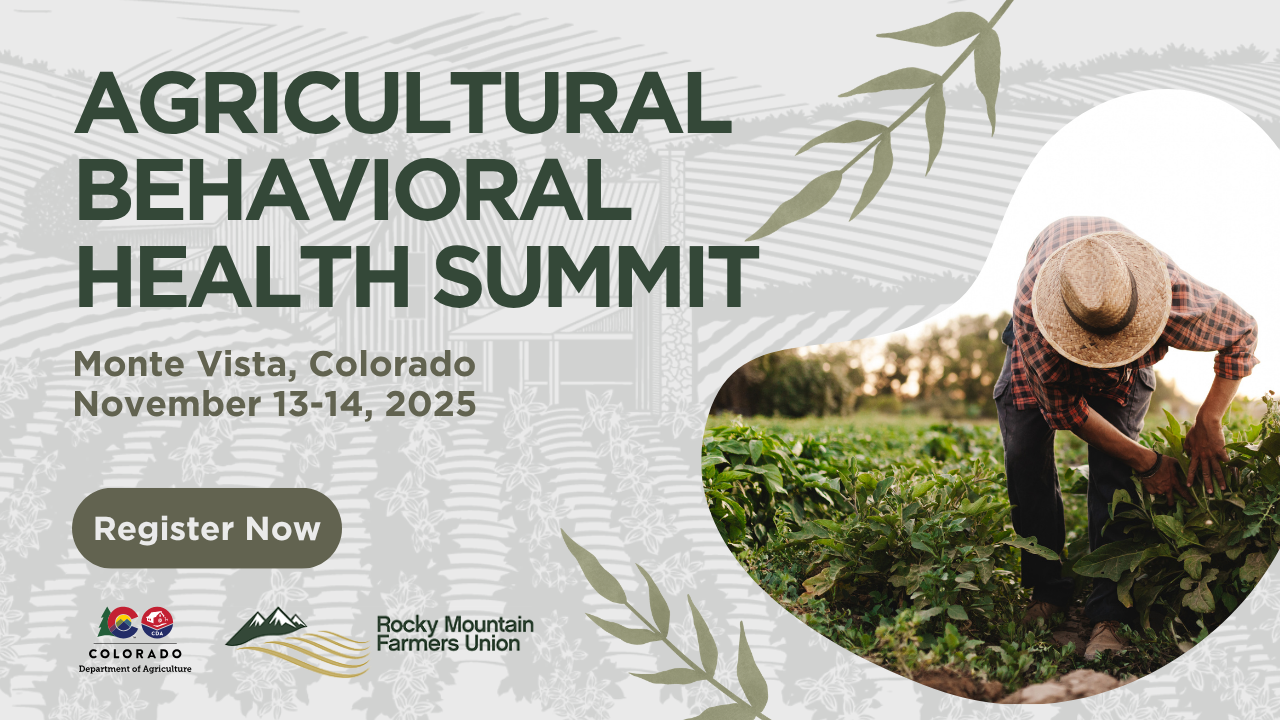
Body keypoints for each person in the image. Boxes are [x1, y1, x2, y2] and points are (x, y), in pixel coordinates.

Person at [993, 216, 1259, 660]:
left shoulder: (1169, 294)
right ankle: (1047, 589)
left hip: (1128, 355)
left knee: (1115, 475)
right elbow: (1068, 412)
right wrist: (1149, 462)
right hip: (1043, 347)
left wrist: (1210, 419)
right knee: (1024, 458)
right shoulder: (1036, 321)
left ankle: (1110, 612)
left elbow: (1243, 333)